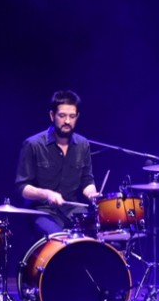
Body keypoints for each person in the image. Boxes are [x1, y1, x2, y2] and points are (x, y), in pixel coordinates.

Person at [16, 89, 101, 237]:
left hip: (72, 210)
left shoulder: (83, 144)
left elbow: (87, 181)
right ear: (52, 115)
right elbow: (22, 188)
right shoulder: (33, 144)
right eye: (62, 116)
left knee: (98, 234)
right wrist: (47, 194)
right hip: (42, 210)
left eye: (72, 116)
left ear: (77, 117)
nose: (67, 121)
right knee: (59, 238)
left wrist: (93, 194)